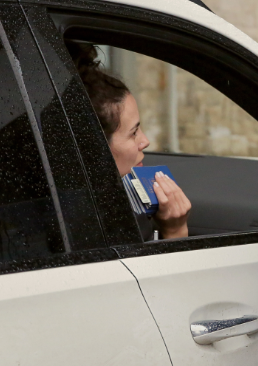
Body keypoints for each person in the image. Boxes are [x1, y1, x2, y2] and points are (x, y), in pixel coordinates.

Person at [70, 44, 192, 240]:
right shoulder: (105, 224)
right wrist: (175, 230)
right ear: (96, 147)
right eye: (133, 132)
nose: (145, 141)